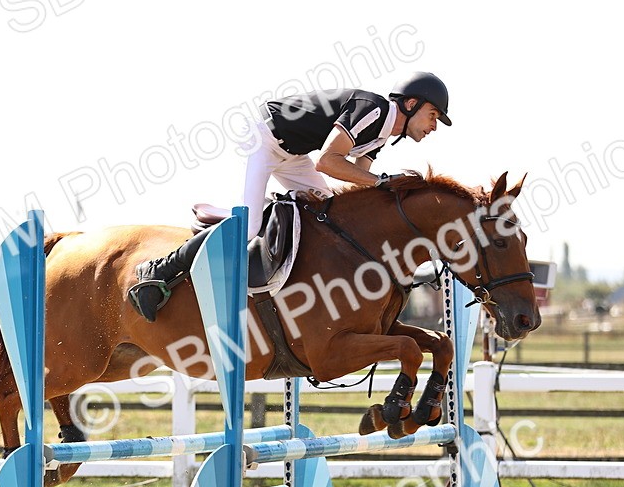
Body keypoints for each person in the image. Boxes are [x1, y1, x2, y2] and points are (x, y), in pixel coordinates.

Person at [128, 71, 454, 322]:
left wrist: (392, 195)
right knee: (250, 227)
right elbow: (328, 162)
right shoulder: (374, 109)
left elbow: (359, 188)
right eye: (433, 115)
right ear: (410, 104)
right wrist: (382, 182)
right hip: (264, 137)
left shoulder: (382, 136)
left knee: (328, 212)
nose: (434, 126)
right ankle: (158, 271)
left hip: (293, 155)